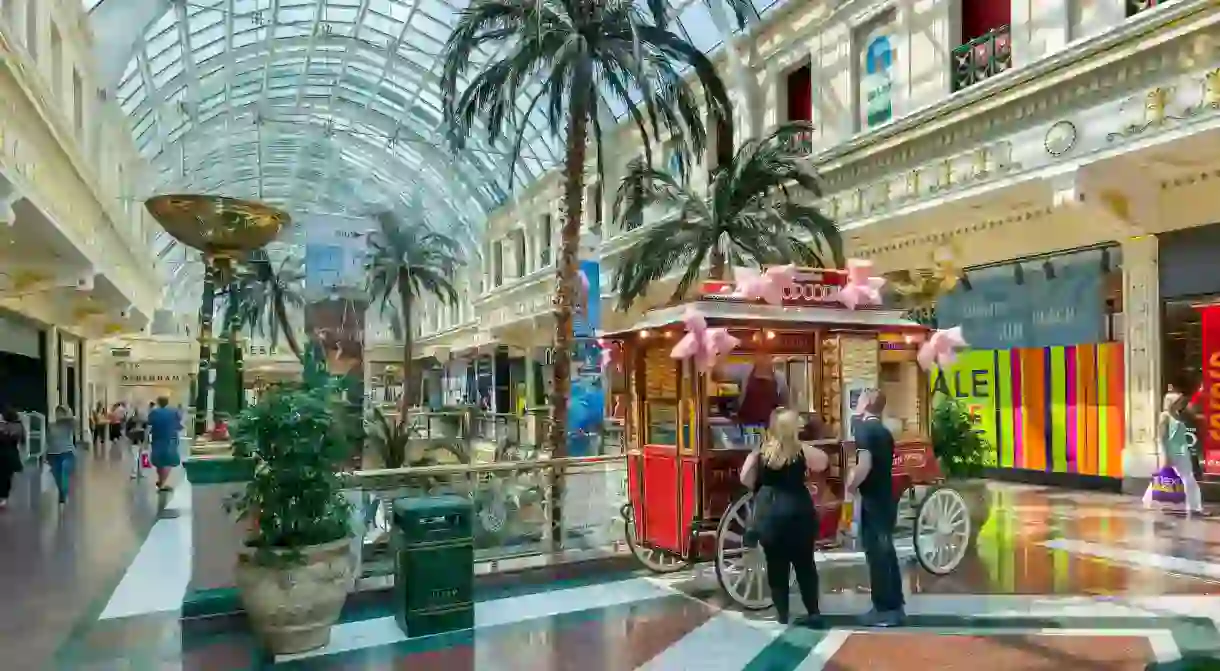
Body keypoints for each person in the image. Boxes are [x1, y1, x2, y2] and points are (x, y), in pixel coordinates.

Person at [740, 408, 829, 627]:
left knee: (776, 566)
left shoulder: (761, 452)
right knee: (805, 564)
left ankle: (782, 614)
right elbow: (823, 462)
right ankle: (813, 612)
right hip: (798, 512)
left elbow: (744, 478)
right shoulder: (801, 451)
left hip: (770, 515)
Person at [845, 390, 905, 627]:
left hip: (872, 501)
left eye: (859, 400)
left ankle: (883, 608)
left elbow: (864, 464)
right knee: (887, 552)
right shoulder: (885, 432)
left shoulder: (864, 430)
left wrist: (850, 485)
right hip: (886, 497)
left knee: (877, 554)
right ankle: (895, 605)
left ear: (867, 403)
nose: (856, 404)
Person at [1161, 390, 1205, 516]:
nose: (1181, 403)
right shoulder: (1165, 416)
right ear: (1171, 403)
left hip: (1183, 451)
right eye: (1178, 401)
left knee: (1187, 478)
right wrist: (1166, 455)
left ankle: (1194, 506)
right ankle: (1195, 507)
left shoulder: (1178, 415)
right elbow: (1163, 438)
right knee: (1186, 478)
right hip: (1174, 452)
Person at [718, 350, 789, 426]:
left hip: (769, 431)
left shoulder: (779, 378)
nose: (763, 359)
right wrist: (723, 351)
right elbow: (717, 374)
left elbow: (786, 406)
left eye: (766, 356)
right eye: (761, 355)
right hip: (744, 429)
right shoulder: (744, 370)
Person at [147, 396, 182, 492]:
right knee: (169, 460)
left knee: (159, 461)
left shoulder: (154, 413)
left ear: (158, 402)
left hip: (157, 438)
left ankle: (161, 481)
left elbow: (149, 425)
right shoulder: (174, 412)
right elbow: (178, 426)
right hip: (171, 438)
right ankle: (162, 483)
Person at [46, 406, 77, 507]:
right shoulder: (51, 426)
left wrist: (67, 413)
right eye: (57, 412)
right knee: (57, 475)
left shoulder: (67, 424)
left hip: (67, 452)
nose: (58, 415)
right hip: (53, 454)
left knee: (64, 471)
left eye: (61, 412)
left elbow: (75, 422)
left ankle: (64, 493)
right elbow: (47, 440)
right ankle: (61, 492)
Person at [0, 408, 25, 509]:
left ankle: (3, 496)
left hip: (3, 455)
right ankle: (4, 497)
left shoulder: (5, 426)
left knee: (3, 477)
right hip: (11, 455)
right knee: (7, 477)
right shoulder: (18, 426)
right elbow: (21, 440)